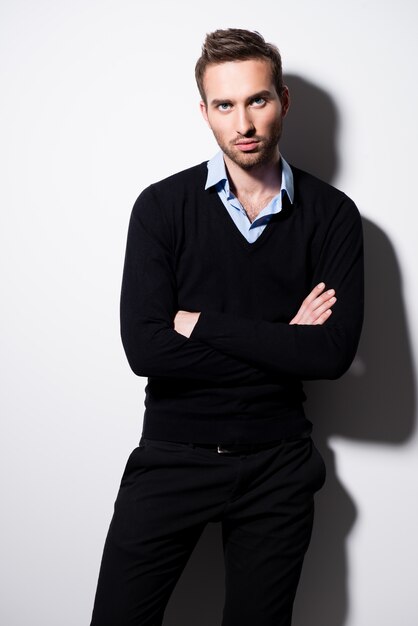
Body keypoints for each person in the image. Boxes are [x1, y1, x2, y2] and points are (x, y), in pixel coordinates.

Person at [90, 28, 364, 626]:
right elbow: (145, 349)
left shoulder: (332, 214)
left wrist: (203, 325)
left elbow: (333, 354)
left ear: (283, 102)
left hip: (278, 465)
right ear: (204, 111)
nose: (244, 122)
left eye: (258, 100)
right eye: (225, 105)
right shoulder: (162, 207)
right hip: (173, 455)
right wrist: (286, 337)